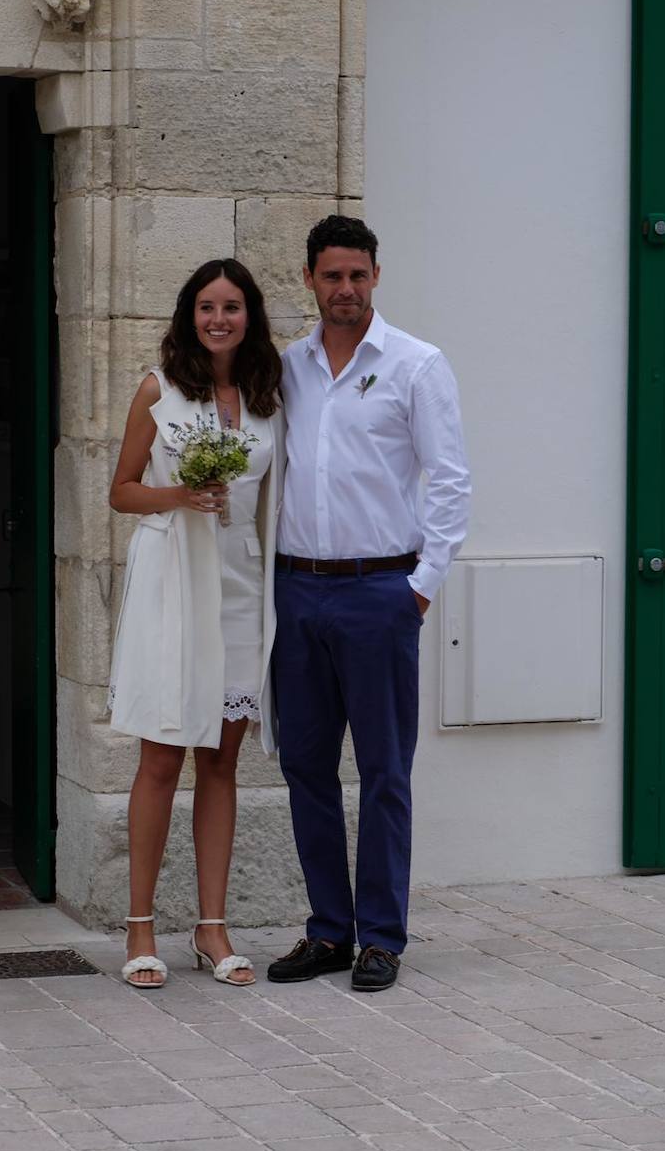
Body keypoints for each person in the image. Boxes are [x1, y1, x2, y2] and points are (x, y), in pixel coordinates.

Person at [268, 215, 470, 992]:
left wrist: (418, 589)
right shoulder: (289, 368)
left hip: (381, 591)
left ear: (375, 277)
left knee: (384, 770)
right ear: (310, 280)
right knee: (306, 766)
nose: (344, 290)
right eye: (330, 276)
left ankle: (381, 936)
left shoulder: (417, 365)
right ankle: (328, 930)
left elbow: (449, 479)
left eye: (357, 275)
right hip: (300, 592)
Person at [109, 258, 282, 989]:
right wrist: (178, 493)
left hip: (239, 582)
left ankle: (212, 928)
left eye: (232, 306)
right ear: (189, 313)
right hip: (173, 580)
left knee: (221, 760)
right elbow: (120, 491)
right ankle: (140, 928)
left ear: (250, 316)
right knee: (161, 757)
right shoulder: (159, 388)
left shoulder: (269, 398)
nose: (219, 318)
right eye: (207, 305)